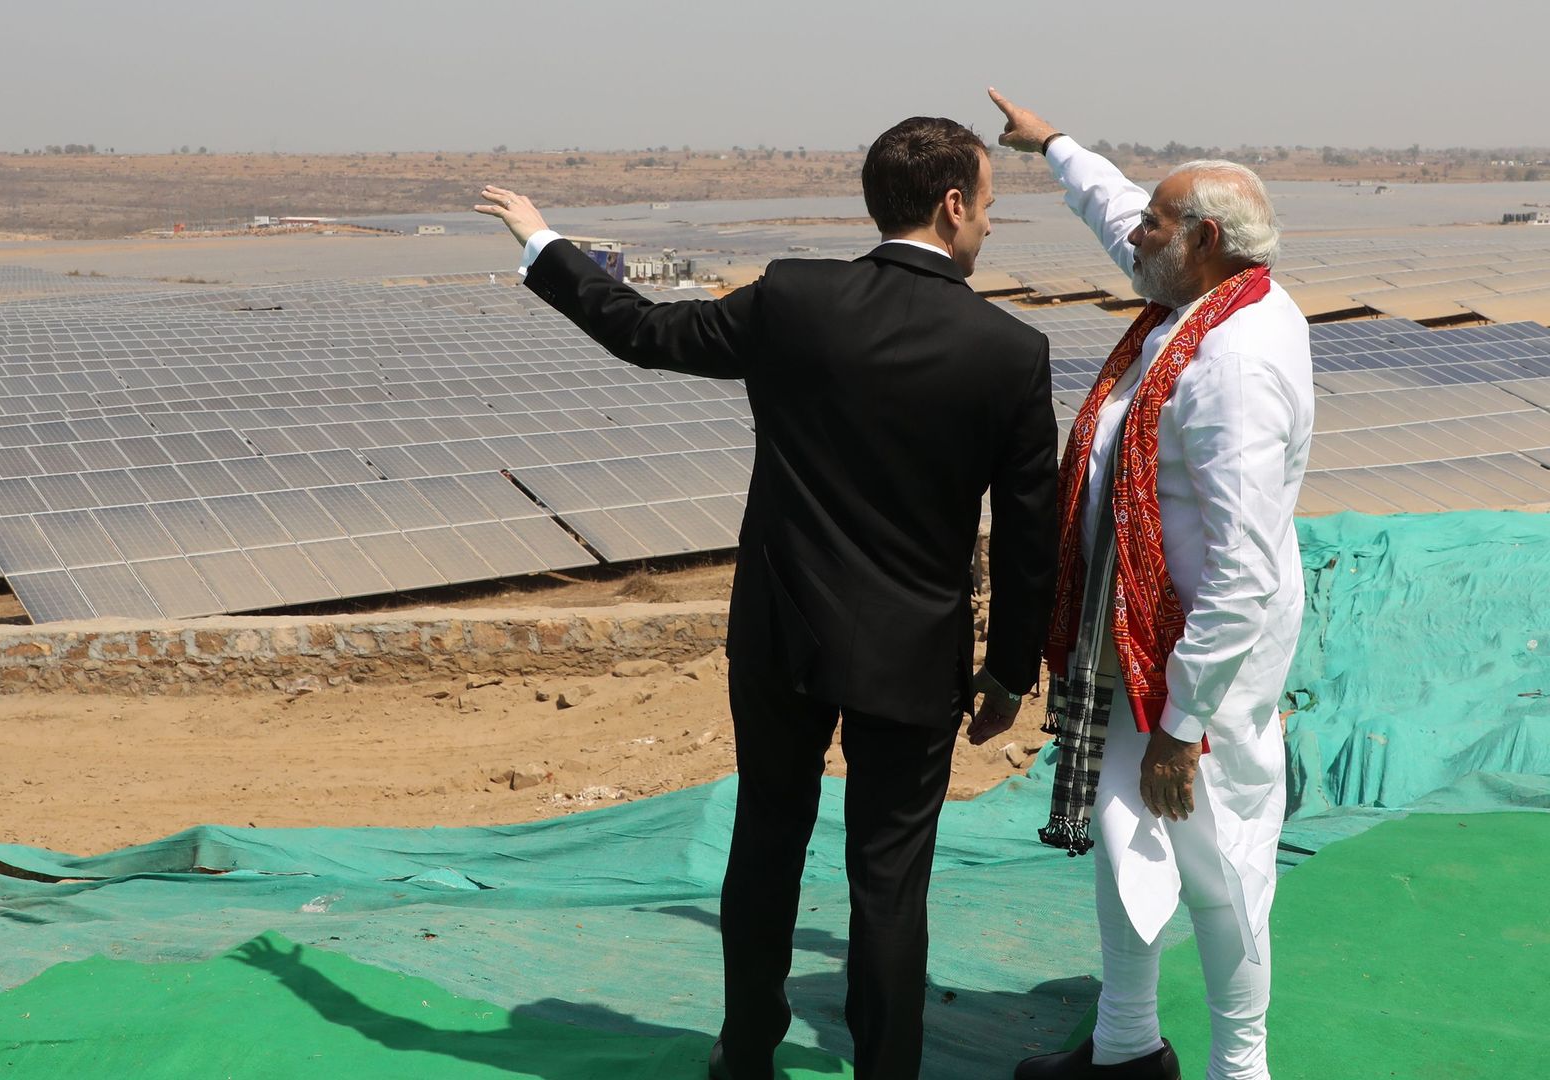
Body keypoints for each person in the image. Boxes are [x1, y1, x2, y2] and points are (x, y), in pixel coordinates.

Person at [475, 116, 1059, 1080]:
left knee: (766, 842)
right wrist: (1006, 670)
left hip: (783, 639)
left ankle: (745, 1052)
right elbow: (1029, 530)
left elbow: (641, 332)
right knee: (889, 886)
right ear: (953, 204)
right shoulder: (1010, 351)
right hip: (912, 658)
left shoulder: (795, 298)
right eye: (991, 205)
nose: (991, 226)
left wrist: (544, 244)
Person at [986, 90, 1313, 1080]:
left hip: (1196, 673)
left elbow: (1245, 563)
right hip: (1136, 651)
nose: (1136, 232)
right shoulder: (1193, 306)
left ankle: (1238, 1067)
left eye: (1158, 226)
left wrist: (1184, 723)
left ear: (1205, 239)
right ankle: (1128, 1046)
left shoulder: (1238, 358)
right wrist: (1054, 147)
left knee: (1220, 867)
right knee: (1130, 846)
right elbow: (1120, 206)